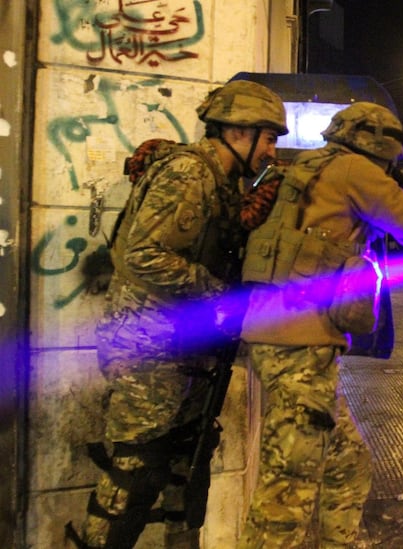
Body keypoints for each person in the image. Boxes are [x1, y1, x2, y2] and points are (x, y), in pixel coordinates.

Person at [66, 79, 288, 549]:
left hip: (182, 346)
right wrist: (219, 292)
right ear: (238, 131)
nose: (271, 150)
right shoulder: (189, 172)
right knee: (137, 470)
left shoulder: (224, 180)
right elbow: (143, 255)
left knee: (185, 465)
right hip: (148, 347)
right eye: (268, 137)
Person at [236, 102, 403, 548]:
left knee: (348, 465)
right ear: (382, 149)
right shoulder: (356, 171)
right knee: (288, 491)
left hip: (282, 336)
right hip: (299, 343)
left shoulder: (310, 164)